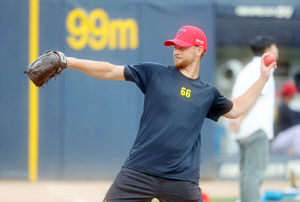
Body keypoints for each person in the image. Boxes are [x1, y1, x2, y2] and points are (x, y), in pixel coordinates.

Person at [66, 26, 276, 202]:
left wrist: (263, 79)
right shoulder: (155, 73)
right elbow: (110, 70)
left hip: (181, 179)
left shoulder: (207, 93)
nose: (176, 51)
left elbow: (237, 108)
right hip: (139, 172)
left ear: (199, 50)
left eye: (183, 47)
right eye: (175, 46)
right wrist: (69, 61)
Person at [229, 36, 278, 202]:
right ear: (268, 50)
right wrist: (239, 119)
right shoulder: (264, 68)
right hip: (256, 128)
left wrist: (235, 120)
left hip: (242, 130)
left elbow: (235, 97)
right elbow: (253, 98)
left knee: (246, 175)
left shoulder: (246, 69)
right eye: (274, 47)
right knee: (253, 175)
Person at [271, 81, 300, 155]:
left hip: (282, 142)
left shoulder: (286, 107)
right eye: (293, 94)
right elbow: (295, 122)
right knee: (298, 130)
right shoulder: (282, 107)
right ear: (289, 95)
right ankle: (298, 157)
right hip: (276, 141)